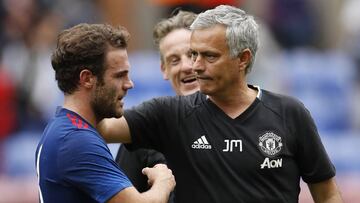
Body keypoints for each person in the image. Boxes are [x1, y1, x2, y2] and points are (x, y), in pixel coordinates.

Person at [99, 5, 343, 203]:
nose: (194, 66)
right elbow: (100, 128)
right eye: (194, 54)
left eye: (209, 56)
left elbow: (327, 193)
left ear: (243, 58)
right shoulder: (167, 114)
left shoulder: (290, 113)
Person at [35, 23, 175, 203]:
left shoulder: (65, 129)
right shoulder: (76, 140)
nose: (129, 84)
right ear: (87, 79)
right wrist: (163, 181)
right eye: (119, 76)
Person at [115, 11, 199, 196]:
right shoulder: (142, 131)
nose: (186, 66)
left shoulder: (239, 121)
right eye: (174, 60)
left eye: (192, 55)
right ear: (164, 69)